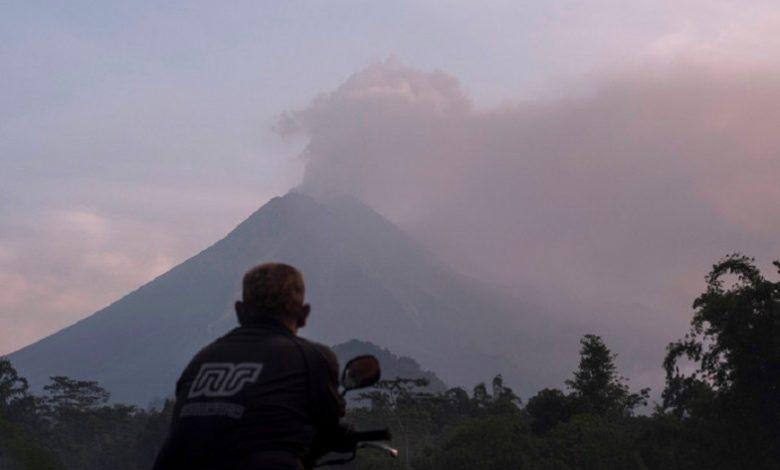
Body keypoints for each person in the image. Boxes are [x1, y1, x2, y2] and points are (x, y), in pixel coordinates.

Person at [152, 263, 352, 470]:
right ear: (303, 313)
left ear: (240, 310)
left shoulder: (201, 360)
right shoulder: (310, 357)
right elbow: (328, 425)